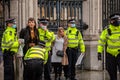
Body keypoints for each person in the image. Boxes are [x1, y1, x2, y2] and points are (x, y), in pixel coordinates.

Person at [97, 13, 120, 80]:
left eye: (118, 19)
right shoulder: (107, 30)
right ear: (111, 21)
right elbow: (101, 42)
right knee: (112, 73)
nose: (117, 21)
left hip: (119, 54)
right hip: (110, 55)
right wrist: (99, 52)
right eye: (115, 20)